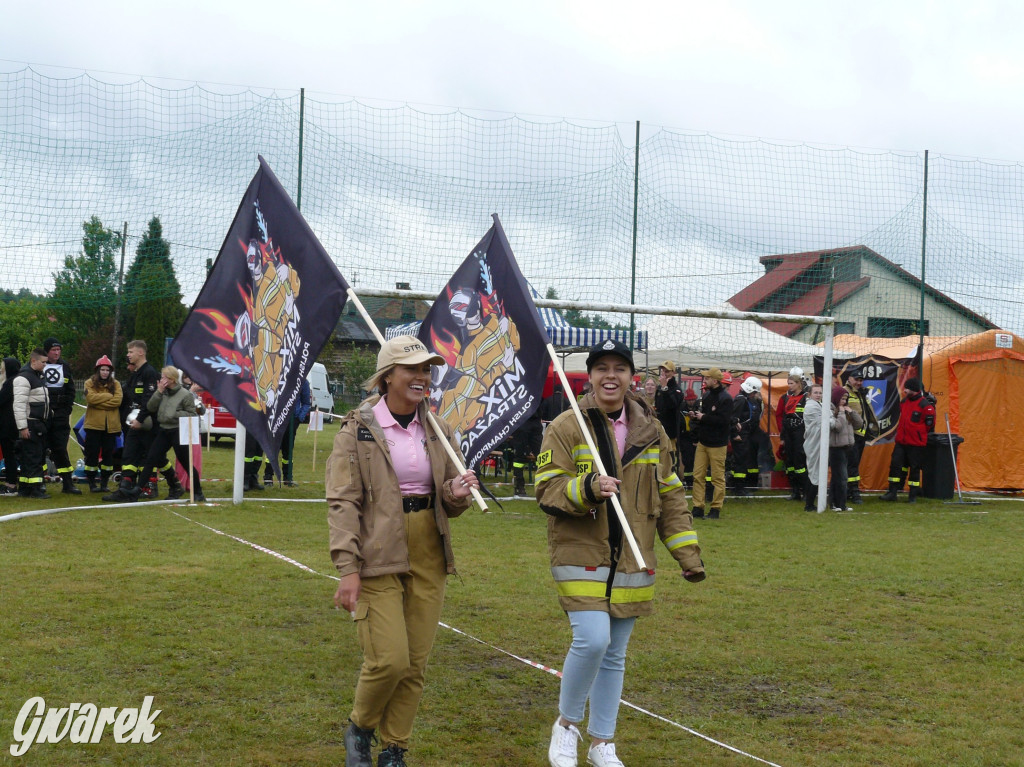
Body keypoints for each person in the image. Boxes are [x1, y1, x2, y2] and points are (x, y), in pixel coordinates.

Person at [536, 339, 704, 767]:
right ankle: (566, 726)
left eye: (620, 368)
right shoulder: (566, 426)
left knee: (614, 654)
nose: (610, 376)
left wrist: (688, 555)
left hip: (634, 557)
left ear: (632, 376)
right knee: (593, 640)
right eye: (601, 368)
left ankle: (602, 743)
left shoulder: (652, 431)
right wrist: (588, 488)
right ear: (590, 376)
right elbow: (547, 489)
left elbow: (671, 495)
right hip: (580, 551)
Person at [327, 335, 478, 767]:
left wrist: (456, 493)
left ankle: (395, 748)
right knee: (389, 660)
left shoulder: (438, 428)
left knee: (414, 662)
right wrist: (347, 568)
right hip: (377, 551)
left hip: (429, 548)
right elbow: (342, 502)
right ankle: (360, 728)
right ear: (387, 376)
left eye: (426, 370)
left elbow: (449, 497)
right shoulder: (357, 429)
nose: (422, 377)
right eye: (412, 369)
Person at [126, 366, 205, 502]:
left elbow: (192, 414)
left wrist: (174, 414)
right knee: (151, 459)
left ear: (172, 379)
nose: (161, 380)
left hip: (177, 431)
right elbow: (151, 407)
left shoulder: (185, 394)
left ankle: (198, 492)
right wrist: (158, 392)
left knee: (186, 462)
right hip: (164, 430)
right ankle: (137, 490)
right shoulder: (163, 392)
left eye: (163, 377)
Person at [104, 340, 160, 502]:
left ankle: (151, 486)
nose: (128, 355)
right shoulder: (136, 374)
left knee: (147, 456)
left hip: (146, 423)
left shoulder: (149, 373)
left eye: (131, 352)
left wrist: (140, 419)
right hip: (134, 421)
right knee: (129, 455)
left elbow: (149, 400)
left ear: (141, 352)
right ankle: (125, 488)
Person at [880, 377, 936, 503]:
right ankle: (892, 492)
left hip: (916, 443)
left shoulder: (925, 406)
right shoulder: (904, 401)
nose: (904, 390)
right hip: (901, 441)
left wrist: (917, 433)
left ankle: (913, 495)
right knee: (895, 465)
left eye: (907, 388)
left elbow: (930, 425)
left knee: (914, 469)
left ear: (913, 389)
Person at [689, 367, 733, 519]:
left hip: (718, 444)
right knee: (698, 475)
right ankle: (698, 507)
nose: (704, 380)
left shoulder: (726, 398)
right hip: (703, 442)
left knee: (717, 478)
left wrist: (704, 417)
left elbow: (724, 421)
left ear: (715, 381)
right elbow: (705, 417)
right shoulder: (707, 395)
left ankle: (715, 508)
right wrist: (696, 417)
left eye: (707, 378)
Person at [41, 338, 79, 495]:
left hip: (60, 414)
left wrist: (66, 409)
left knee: (60, 448)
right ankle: (40, 482)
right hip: (43, 413)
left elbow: (71, 389)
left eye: (58, 350)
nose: (57, 353)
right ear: (47, 351)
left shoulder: (65, 366)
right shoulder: (40, 365)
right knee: (41, 448)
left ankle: (67, 483)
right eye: (53, 350)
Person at [12, 349, 51, 499]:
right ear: (33, 361)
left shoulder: (38, 376)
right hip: (31, 423)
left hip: (38, 422)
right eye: (43, 362)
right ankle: (35, 489)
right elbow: (19, 405)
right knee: (33, 456)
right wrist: (23, 427)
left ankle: (25, 488)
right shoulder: (23, 378)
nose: (45, 365)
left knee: (32, 456)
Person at [82, 355, 123, 493]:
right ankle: (92, 483)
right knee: (91, 455)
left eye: (107, 370)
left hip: (111, 427)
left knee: (108, 456)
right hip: (93, 426)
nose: (105, 372)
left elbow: (117, 401)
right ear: (97, 370)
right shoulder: (89, 383)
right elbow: (91, 399)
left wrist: (99, 402)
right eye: (102, 369)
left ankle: (104, 483)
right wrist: (108, 396)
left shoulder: (116, 384)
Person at [263, 377, 310, 487]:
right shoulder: (276, 377)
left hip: (292, 421)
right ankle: (268, 477)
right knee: (272, 449)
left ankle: (288, 478)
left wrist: (299, 419)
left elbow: (306, 403)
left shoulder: (303, 381)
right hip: (275, 420)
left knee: (288, 451)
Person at [843, 369, 879, 504]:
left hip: (861, 435)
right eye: (856, 380)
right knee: (852, 464)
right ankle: (854, 493)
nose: (859, 382)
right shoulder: (845, 392)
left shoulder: (862, 393)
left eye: (861, 380)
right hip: (850, 434)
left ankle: (848, 491)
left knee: (854, 463)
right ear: (849, 379)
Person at [776, 370, 809, 501]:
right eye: (788, 383)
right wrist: (782, 437)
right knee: (789, 462)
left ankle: (806, 491)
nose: (789, 386)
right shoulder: (786, 398)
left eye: (791, 383)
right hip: (788, 432)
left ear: (798, 383)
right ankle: (795, 491)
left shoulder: (806, 397)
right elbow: (783, 417)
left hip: (800, 432)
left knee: (800, 462)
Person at [829, 386, 863, 512]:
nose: (843, 401)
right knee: (841, 478)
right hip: (836, 448)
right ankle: (839, 504)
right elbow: (838, 427)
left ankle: (837, 504)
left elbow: (859, 424)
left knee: (838, 478)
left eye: (845, 399)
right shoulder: (831, 410)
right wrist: (842, 413)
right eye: (842, 398)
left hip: (847, 447)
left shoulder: (846, 410)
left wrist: (852, 412)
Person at [730, 376, 764, 496]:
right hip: (740, 435)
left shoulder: (745, 399)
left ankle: (738, 486)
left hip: (744, 434)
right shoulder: (741, 400)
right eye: (754, 392)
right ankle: (739, 488)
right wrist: (735, 434)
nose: (755, 395)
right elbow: (732, 419)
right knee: (740, 461)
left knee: (742, 460)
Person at [801, 384, 831, 512]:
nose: (818, 395)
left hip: (819, 442)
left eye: (820, 392)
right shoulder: (811, 406)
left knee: (815, 473)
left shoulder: (820, 405)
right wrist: (833, 418)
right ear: (810, 394)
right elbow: (827, 422)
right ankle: (809, 504)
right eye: (816, 392)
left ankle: (810, 503)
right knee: (815, 474)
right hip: (814, 443)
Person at [0, 356, 21, 494]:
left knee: (9, 454)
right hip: (10, 423)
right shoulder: (15, 382)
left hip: (7, 424)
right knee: (9, 454)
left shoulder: (10, 383)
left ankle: (11, 483)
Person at [511, 408, 543, 496]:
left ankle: (542, 486)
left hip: (535, 424)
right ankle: (519, 486)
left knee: (540, 456)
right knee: (519, 458)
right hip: (522, 423)